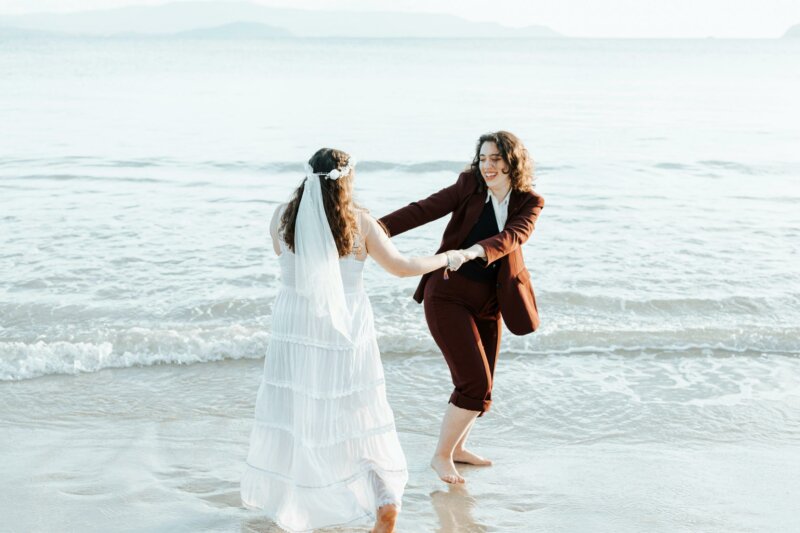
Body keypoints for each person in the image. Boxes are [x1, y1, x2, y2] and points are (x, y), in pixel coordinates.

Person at [240, 148, 468, 533]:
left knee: (297, 413)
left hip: (295, 328)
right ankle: (383, 496)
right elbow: (401, 267)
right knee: (358, 412)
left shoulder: (281, 217)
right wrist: (447, 257)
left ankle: (303, 499)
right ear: (347, 180)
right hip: (346, 327)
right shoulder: (360, 221)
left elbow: (288, 258)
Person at [379, 131, 545, 484]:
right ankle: (440, 456)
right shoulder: (469, 185)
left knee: (483, 387)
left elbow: (514, 236)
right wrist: (374, 230)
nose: (487, 166)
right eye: (483, 158)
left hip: (490, 302)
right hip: (448, 295)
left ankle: (457, 448)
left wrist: (472, 252)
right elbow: (423, 210)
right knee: (474, 382)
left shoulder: (529, 201)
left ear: (513, 162)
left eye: (495, 159)